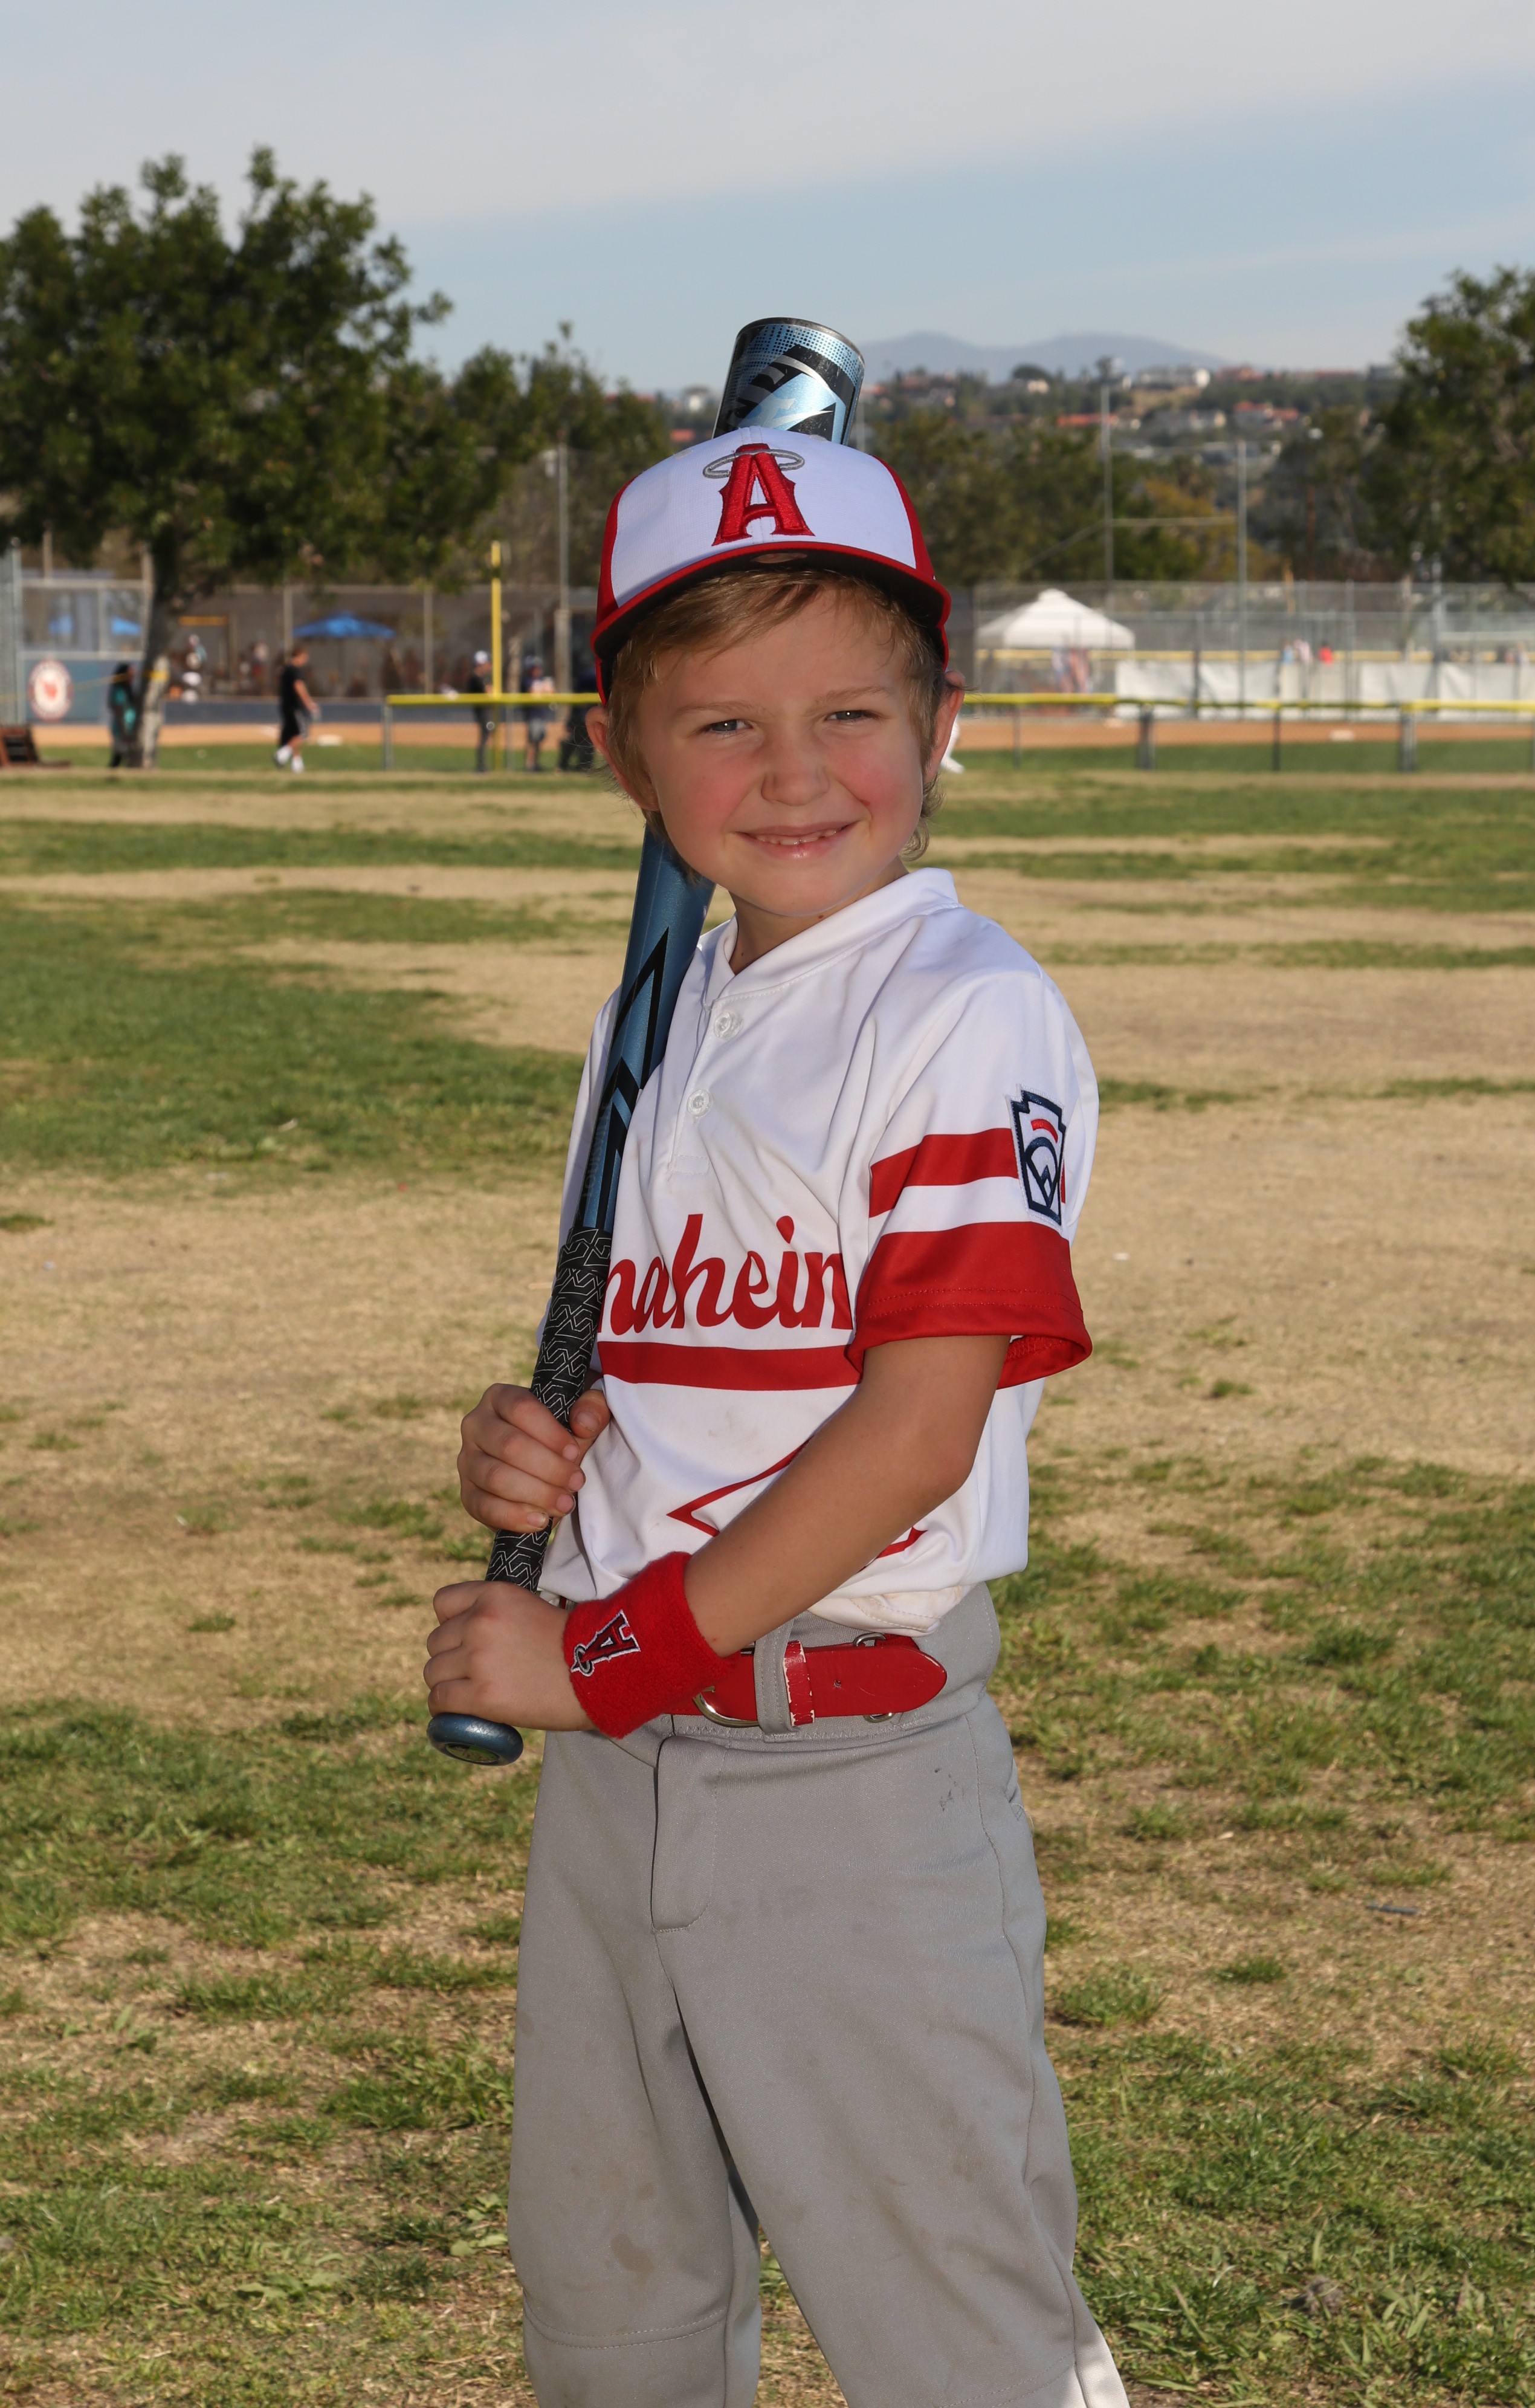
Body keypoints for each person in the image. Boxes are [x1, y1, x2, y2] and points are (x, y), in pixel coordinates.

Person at [428, 432, 1126, 2408]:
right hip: (618, 1771)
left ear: (941, 720)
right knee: (616, 2318)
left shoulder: (960, 1005)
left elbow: (913, 1435)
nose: (797, 771)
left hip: (846, 1773)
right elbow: (643, 1351)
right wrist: (534, 1454)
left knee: (955, 2339)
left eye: (850, 714)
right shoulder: (659, 1016)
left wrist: (603, 1655)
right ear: (624, 756)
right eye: (724, 722)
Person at [275, 645, 316, 772]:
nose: (305, 660)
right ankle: (283, 754)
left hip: (286, 706)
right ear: (299, 656)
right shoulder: (295, 670)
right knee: (303, 734)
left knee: (293, 735)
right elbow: (299, 686)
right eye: (304, 657)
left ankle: (297, 764)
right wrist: (309, 703)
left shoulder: (286, 669)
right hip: (295, 707)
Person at [519, 652, 554, 772]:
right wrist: (544, 690)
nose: (537, 670)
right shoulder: (526, 680)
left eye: (538, 667)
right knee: (532, 740)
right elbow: (533, 693)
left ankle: (536, 763)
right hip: (532, 715)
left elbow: (551, 691)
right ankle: (529, 765)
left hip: (542, 713)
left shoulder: (542, 680)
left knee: (540, 739)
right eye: (534, 667)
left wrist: (544, 690)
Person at [465, 648, 496, 772]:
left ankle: (483, 765)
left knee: (487, 736)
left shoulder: (483, 678)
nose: (489, 666)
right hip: (482, 712)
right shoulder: (476, 678)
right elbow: (489, 692)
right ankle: (481, 766)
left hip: (486, 711)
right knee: (484, 737)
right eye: (487, 663)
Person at [106, 662, 140, 768]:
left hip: (130, 728)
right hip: (121, 729)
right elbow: (118, 712)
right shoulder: (119, 691)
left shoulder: (129, 690)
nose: (133, 677)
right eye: (130, 674)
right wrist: (124, 732)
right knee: (124, 754)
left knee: (119, 757)